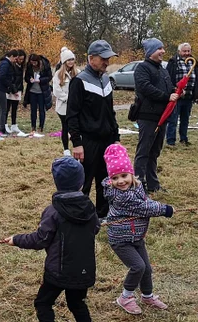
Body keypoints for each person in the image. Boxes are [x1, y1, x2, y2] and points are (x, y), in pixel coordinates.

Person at [6, 156, 101, 322]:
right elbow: (96, 228)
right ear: (81, 182)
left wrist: (16, 239)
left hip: (57, 270)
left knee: (43, 301)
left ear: (56, 183)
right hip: (84, 269)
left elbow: (40, 239)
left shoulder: (53, 211)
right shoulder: (89, 208)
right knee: (77, 302)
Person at [101, 143, 174, 314]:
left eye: (124, 175)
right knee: (138, 267)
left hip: (136, 236)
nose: (120, 181)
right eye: (115, 178)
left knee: (147, 268)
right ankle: (125, 297)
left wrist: (158, 205)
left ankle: (147, 296)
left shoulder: (137, 187)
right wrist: (165, 209)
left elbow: (146, 201)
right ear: (110, 179)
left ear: (131, 174)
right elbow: (144, 208)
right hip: (121, 239)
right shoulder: (120, 195)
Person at [66, 40, 121, 218]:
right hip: (88, 141)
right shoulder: (79, 82)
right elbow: (71, 115)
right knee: (85, 182)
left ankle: (103, 215)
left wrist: (116, 137)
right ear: (91, 58)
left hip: (107, 140)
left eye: (109, 58)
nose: (107, 62)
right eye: (103, 58)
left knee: (105, 181)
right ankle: (80, 216)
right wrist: (77, 143)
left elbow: (110, 112)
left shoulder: (106, 80)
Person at [132, 38, 176, 193]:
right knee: (144, 151)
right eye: (159, 48)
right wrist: (166, 97)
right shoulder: (142, 68)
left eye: (163, 48)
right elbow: (145, 87)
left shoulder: (163, 70)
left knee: (154, 152)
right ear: (151, 52)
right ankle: (138, 184)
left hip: (162, 117)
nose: (163, 51)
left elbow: (170, 87)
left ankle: (153, 184)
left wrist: (177, 91)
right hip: (147, 117)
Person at [165, 42, 198, 147]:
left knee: (185, 119)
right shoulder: (173, 62)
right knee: (173, 119)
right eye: (184, 51)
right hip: (176, 96)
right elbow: (167, 78)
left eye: (188, 51)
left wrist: (197, 93)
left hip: (189, 96)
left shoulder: (194, 62)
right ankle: (170, 141)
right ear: (179, 51)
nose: (186, 53)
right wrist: (175, 90)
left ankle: (184, 139)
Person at [51, 47, 78, 156]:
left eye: (72, 59)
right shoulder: (58, 74)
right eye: (68, 60)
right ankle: (66, 149)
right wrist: (68, 98)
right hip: (63, 107)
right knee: (65, 127)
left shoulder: (78, 73)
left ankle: (77, 145)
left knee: (76, 128)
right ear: (64, 61)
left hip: (76, 106)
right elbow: (57, 91)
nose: (71, 62)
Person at [0, 49, 25, 136]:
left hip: (0, 89)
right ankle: (2, 130)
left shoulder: (4, 63)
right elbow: (2, 77)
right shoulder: (5, 64)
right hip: (0, 89)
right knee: (3, 110)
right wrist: (10, 86)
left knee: (0, 110)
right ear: (11, 56)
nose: (15, 60)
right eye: (15, 58)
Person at [22, 53, 52, 134]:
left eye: (35, 62)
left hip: (42, 91)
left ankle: (41, 126)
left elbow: (49, 77)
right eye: (32, 62)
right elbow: (26, 77)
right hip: (32, 91)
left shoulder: (45, 66)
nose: (33, 64)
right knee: (33, 110)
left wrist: (41, 80)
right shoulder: (29, 66)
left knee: (42, 110)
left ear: (38, 61)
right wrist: (29, 79)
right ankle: (33, 127)